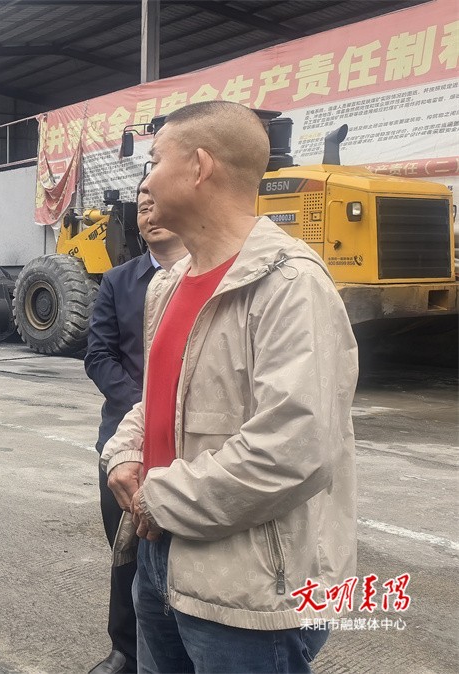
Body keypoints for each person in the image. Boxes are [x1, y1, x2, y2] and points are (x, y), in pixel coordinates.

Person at [102, 101, 358, 673]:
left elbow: (293, 449)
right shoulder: (169, 285)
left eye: (155, 161)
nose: (146, 182)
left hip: (247, 591)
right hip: (159, 557)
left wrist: (158, 498)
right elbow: (162, 397)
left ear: (199, 166)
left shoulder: (289, 285)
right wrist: (124, 450)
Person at [84, 191, 187, 674]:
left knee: (184, 556)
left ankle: (179, 649)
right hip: (125, 440)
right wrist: (146, 408)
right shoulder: (119, 281)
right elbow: (98, 355)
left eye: (158, 204)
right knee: (127, 549)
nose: (150, 215)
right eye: (142, 208)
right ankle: (125, 649)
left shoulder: (213, 277)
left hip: (190, 441)